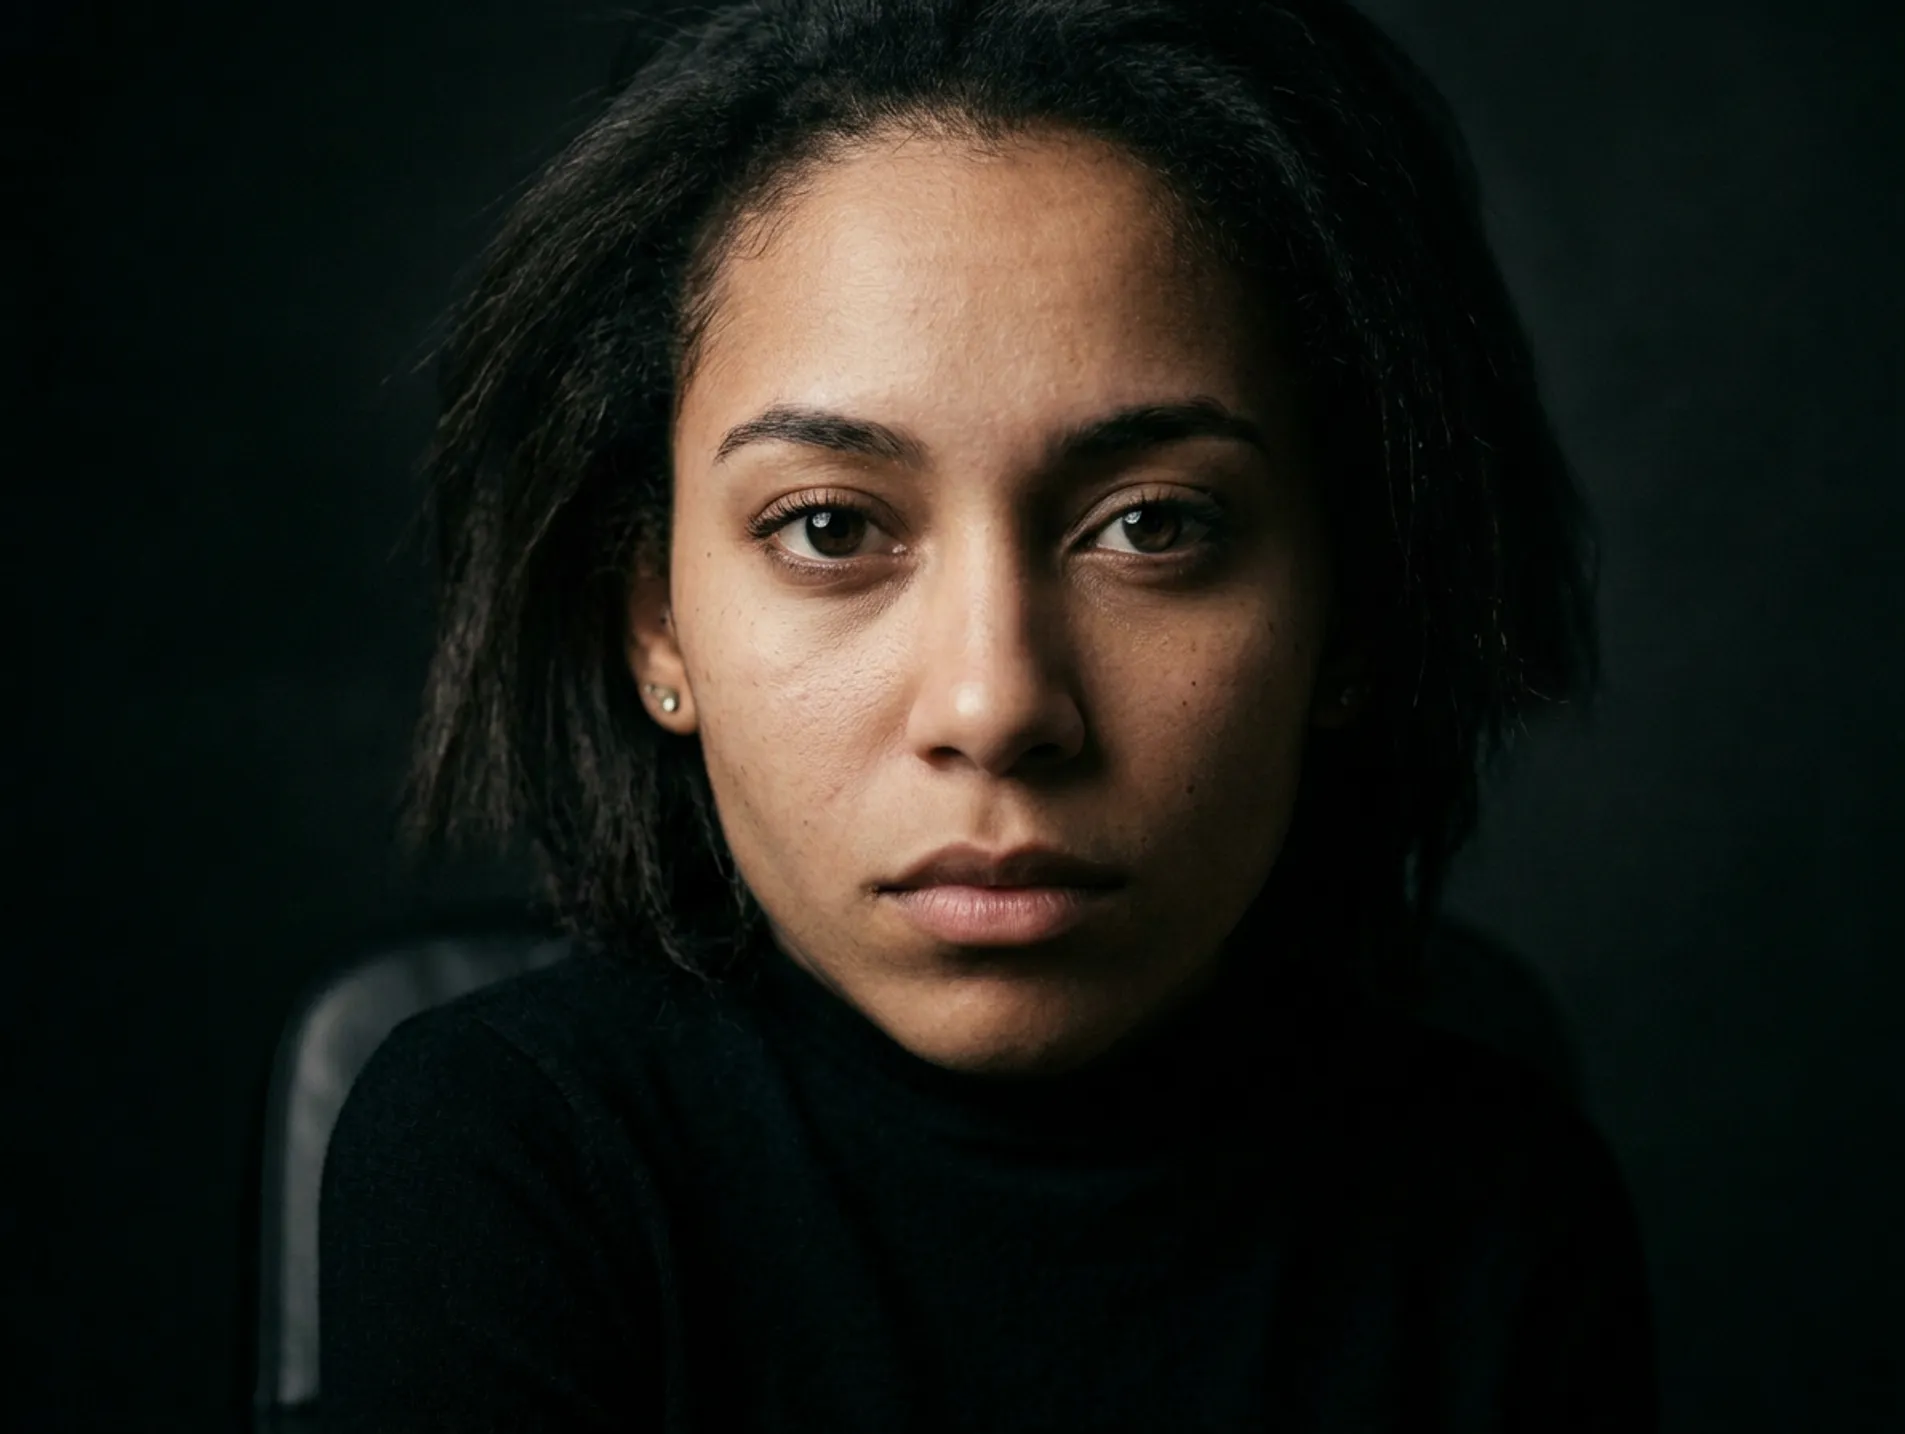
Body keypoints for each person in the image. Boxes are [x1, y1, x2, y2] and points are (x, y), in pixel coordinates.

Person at [318, 0, 1658, 1428]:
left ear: (1347, 610)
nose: (996, 704)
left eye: (1152, 525)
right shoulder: (506, 1164)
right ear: (658, 619)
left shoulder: (1497, 1209)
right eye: (830, 527)